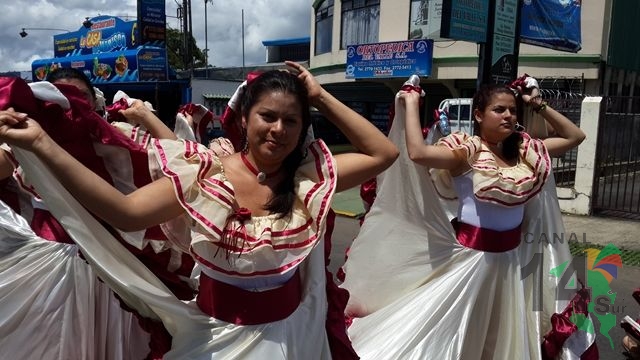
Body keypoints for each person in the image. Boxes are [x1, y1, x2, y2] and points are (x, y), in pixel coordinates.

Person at [0, 61, 398, 359]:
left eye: (291, 120)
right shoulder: (205, 175)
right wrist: (41, 144)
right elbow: (125, 212)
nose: (278, 129)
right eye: (268, 116)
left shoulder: (307, 179)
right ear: (245, 117)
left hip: (294, 338)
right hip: (215, 340)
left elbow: (385, 152)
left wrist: (321, 96)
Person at [340, 77, 595, 359]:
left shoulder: (525, 152)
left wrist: (536, 104)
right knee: (455, 338)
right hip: (472, 264)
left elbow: (575, 136)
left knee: (502, 340)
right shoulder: (467, 153)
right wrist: (412, 103)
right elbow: (418, 152)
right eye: (499, 110)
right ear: (478, 114)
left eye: (512, 110)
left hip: (513, 265)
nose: (508, 115)